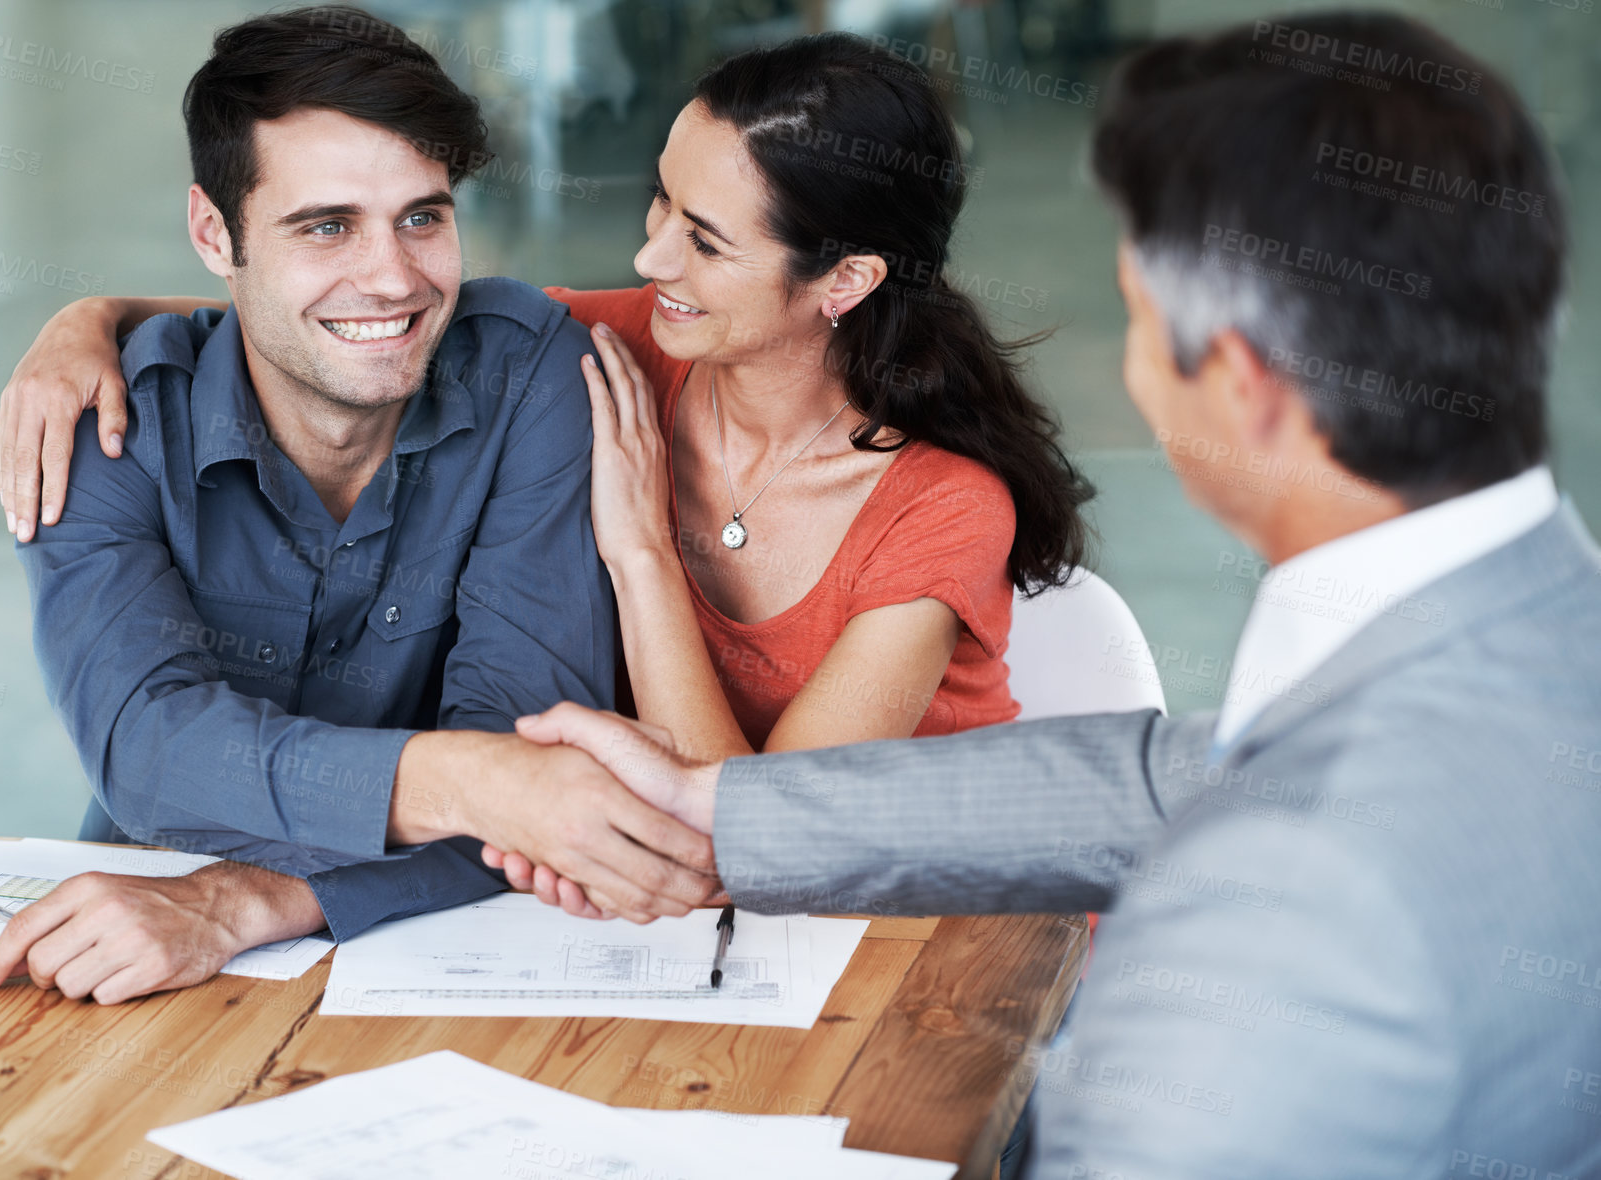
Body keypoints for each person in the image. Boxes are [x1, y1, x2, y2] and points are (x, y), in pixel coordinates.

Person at [489, 13, 1601, 1176]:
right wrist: (730, 813)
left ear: (1236, 384)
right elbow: (1163, 777)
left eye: (1135, 317)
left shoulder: (1280, 919)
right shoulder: (1517, 650)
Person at [0, 32, 1092, 908]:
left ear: (842, 278)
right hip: (649, 902)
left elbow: (753, 847)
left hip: (908, 923)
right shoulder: (618, 345)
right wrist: (92, 321)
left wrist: (640, 553)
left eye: (704, 242)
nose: (648, 256)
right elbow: (351, 318)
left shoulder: (934, 507)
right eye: (660, 202)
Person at [0, 6, 718, 1006]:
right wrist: (473, 783)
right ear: (212, 231)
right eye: (326, 226)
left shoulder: (532, 376)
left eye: (422, 215)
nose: (393, 277)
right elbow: (149, 752)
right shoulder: (101, 419)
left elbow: (530, 760)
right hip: (138, 952)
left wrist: (246, 900)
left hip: (457, 952)